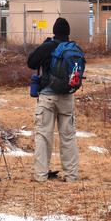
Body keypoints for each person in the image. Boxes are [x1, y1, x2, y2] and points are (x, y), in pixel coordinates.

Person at [27, 17, 79, 183]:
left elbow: (31, 62)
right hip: (67, 96)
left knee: (43, 135)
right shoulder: (73, 49)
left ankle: (41, 175)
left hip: (47, 96)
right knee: (68, 137)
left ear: (54, 31)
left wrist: (44, 47)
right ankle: (71, 176)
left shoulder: (48, 46)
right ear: (68, 33)